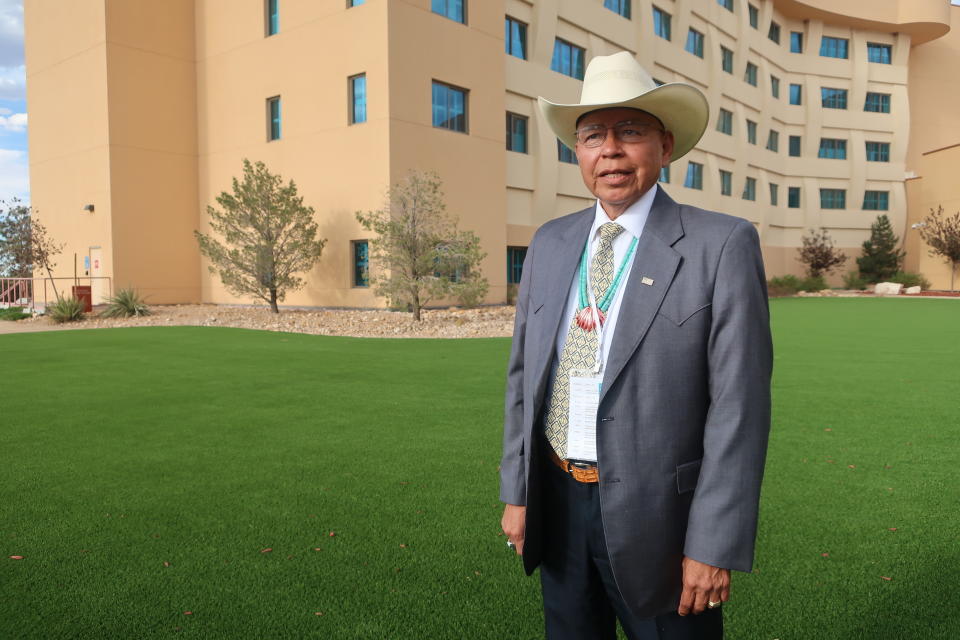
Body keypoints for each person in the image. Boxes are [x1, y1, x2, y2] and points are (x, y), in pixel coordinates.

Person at [499, 52, 773, 640]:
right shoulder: (549, 243)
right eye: (593, 135)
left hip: (661, 520)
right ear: (579, 153)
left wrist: (712, 542)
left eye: (630, 131)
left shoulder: (721, 245)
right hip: (557, 501)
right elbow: (524, 379)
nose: (611, 150)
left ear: (665, 146)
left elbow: (739, 409)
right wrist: (517, 492)